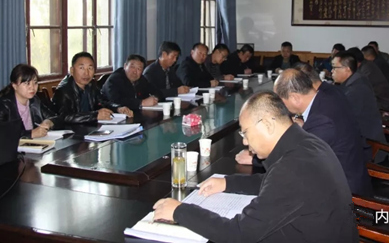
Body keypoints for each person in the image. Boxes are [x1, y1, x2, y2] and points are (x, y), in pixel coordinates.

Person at [152, 91, 359, 242]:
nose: (244, 141)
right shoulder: (306, 143)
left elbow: (238, 234)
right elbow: (272, 182)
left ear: (268, 124)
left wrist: (180, 211)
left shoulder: (293, 168)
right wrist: (227, 183)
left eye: (245, 132)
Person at [273, 69, 372, 196]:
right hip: (347, 175)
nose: (281, 107)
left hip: (345, 194)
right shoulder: (327, 98)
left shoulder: (322, 121)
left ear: (294, 97)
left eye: (281, 102)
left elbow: (296, 162)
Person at [332, 52, 388, 163]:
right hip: (362, 142)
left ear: (347, 69)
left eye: (334, 67)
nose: (332, 71)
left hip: (369, 150)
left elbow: (343, 120)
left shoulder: (356, 90)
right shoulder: (356, 80)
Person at [52, 52, 132, 123]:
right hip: (71, 132)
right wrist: (95, 116)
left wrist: (118, 108)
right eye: (81, 68)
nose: (86, 73)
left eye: (90, 68)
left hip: (89, 128)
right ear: (72, 71)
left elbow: (103, 102)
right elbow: (64, 117)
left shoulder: (91, 85)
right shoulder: (63, 91)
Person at [0, 64, 57, 138]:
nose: (32, 87)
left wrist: (49, 122)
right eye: (27, 83)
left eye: (35, 83)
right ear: (14, 86)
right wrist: (30, 134)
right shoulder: (4, 105)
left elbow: (56, 118)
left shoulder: (34, 101)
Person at [347, 47, 389, 113]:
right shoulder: (366, 65)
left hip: (384, 107)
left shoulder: (366, 70)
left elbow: (359, 92)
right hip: (381, 103)